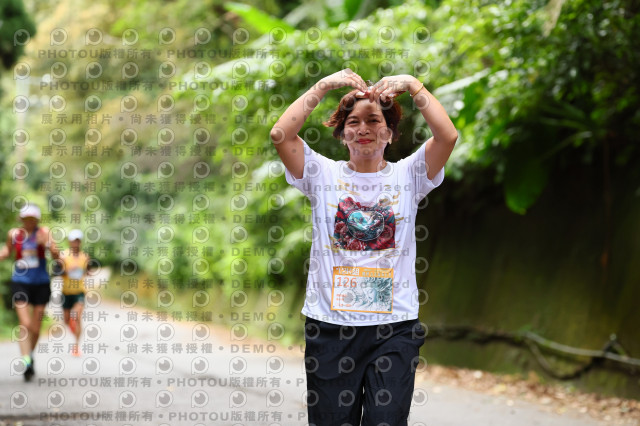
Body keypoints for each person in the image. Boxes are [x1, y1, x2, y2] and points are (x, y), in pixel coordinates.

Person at [270, 69, 457, 425]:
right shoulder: (321, 174)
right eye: (353, 122)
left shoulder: (410, 175)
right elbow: (281, 134)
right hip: (330, 328)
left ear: (390, 133)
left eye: (374, 120)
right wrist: (323, 86)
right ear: (342, 134)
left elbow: (447, 136)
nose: (363, 129)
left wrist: (413, 85)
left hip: (394, 328)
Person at [0, 204, 59, 381]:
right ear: (22, 219)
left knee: (36, 327)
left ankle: (30, 354)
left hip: (41, 283)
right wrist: (2, 254)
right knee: (25, 324)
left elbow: (56, 255)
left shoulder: (44, 232)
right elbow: (7, 251)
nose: (29, 221)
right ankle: (26, 360)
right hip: (21, 282)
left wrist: (46, 244)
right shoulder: (14, 234)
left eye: (32, 218)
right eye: (26, 218)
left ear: (37, 219)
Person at [59, 229, 90, 356]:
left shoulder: (85, 257)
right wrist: (68, 270)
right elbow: (57, 272)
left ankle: (76, 346)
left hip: (79, 292)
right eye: (74, 241)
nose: (76, 243)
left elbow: (87, 272)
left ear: (80, 242)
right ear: (70, 241)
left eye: (78, 241)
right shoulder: (63, 256)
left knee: (76, 316)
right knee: (67, 320)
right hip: (66, 292)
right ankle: (74, 331)